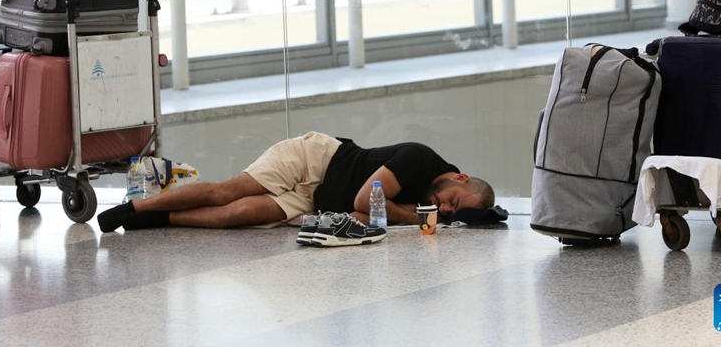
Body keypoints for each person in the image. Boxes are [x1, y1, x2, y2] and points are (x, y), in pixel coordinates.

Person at [98, 131, 495, 235]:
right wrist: (418, 220)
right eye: (453, 203)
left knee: (237, 215)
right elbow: (365, 197)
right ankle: (133, 208)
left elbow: (360, 213)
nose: (443, 210)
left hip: (316, 201)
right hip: (314, 158)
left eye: (451, 214)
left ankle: (159, 221)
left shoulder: (430, 202)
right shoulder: (419, 158)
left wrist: (418, 216)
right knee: (227, 192)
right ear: (459, 178)